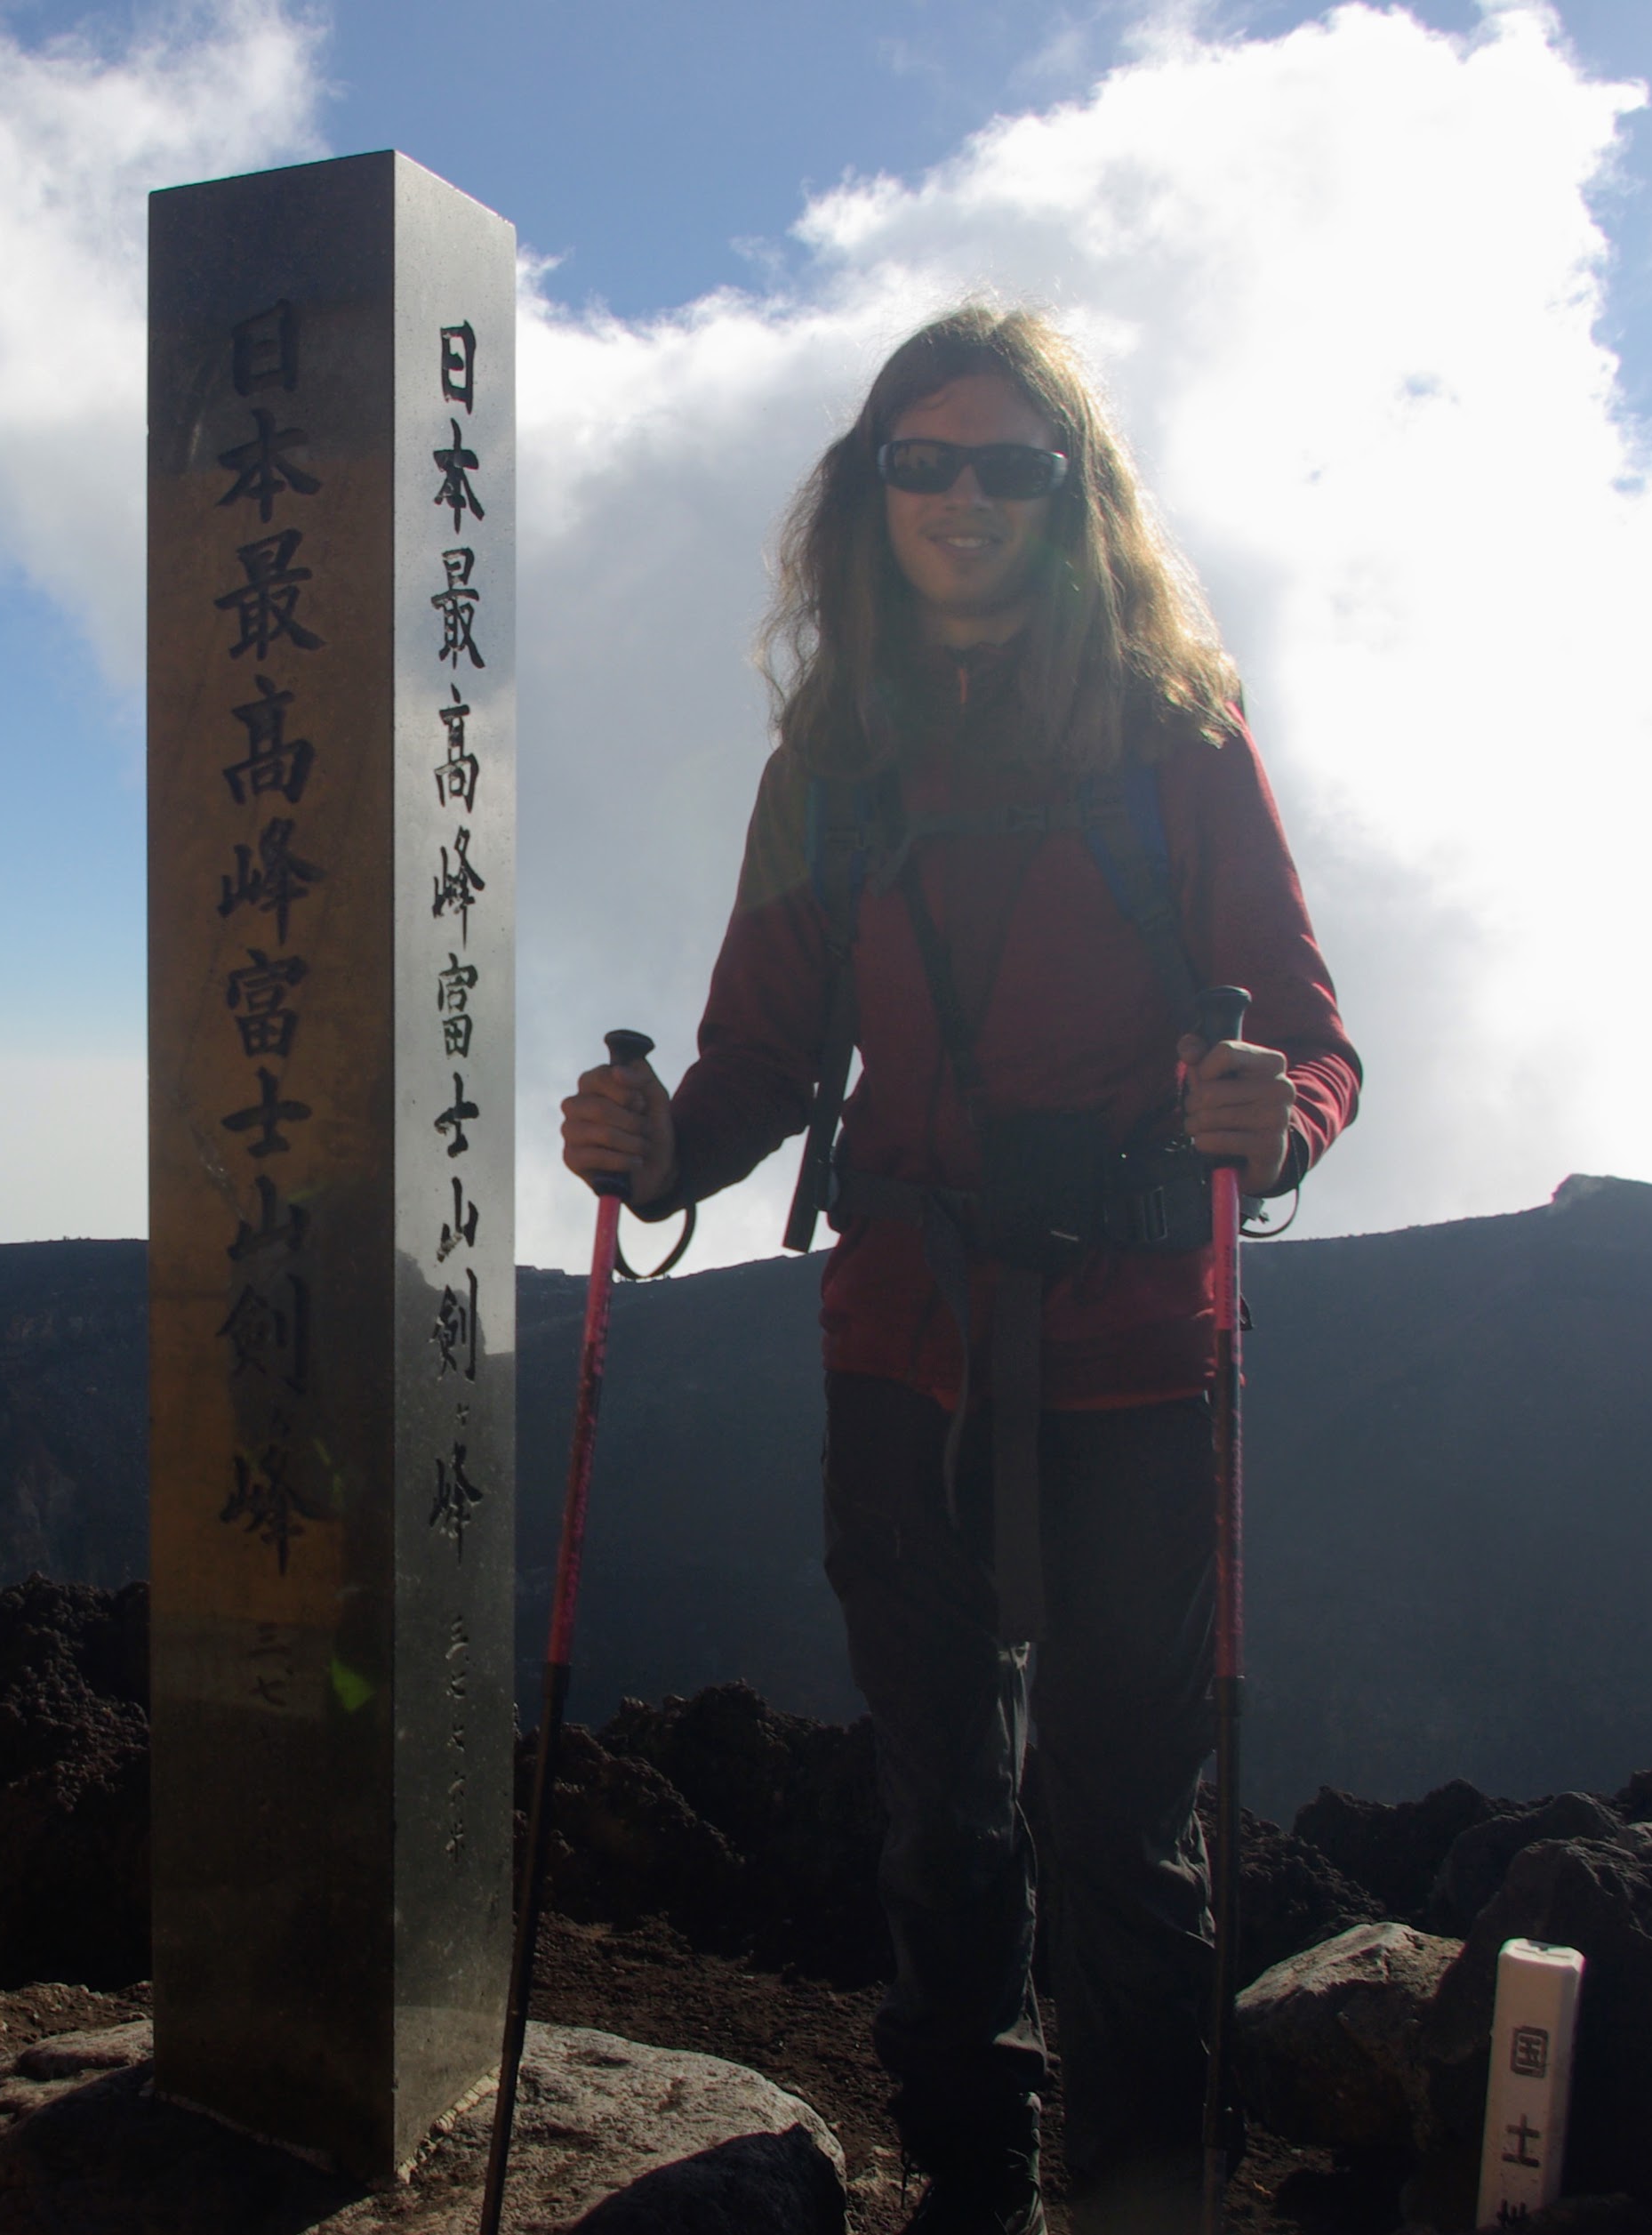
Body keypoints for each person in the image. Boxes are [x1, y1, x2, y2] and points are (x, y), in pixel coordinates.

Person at [557, 304, 1359, 2231]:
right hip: (904, 1348)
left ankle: (1138, 2200)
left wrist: (1281, 1119)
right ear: (872, 489)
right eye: (925, 461)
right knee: (941, 1803)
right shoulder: (834, 761)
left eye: (1012, 464)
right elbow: (763, 1053)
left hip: (1133, 1348)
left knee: (1121, 1827)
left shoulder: (1178, 739)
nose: (965, 496)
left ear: (1075, 497)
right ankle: (974, 2184)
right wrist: (662, 1151)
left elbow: (1310, 1034)